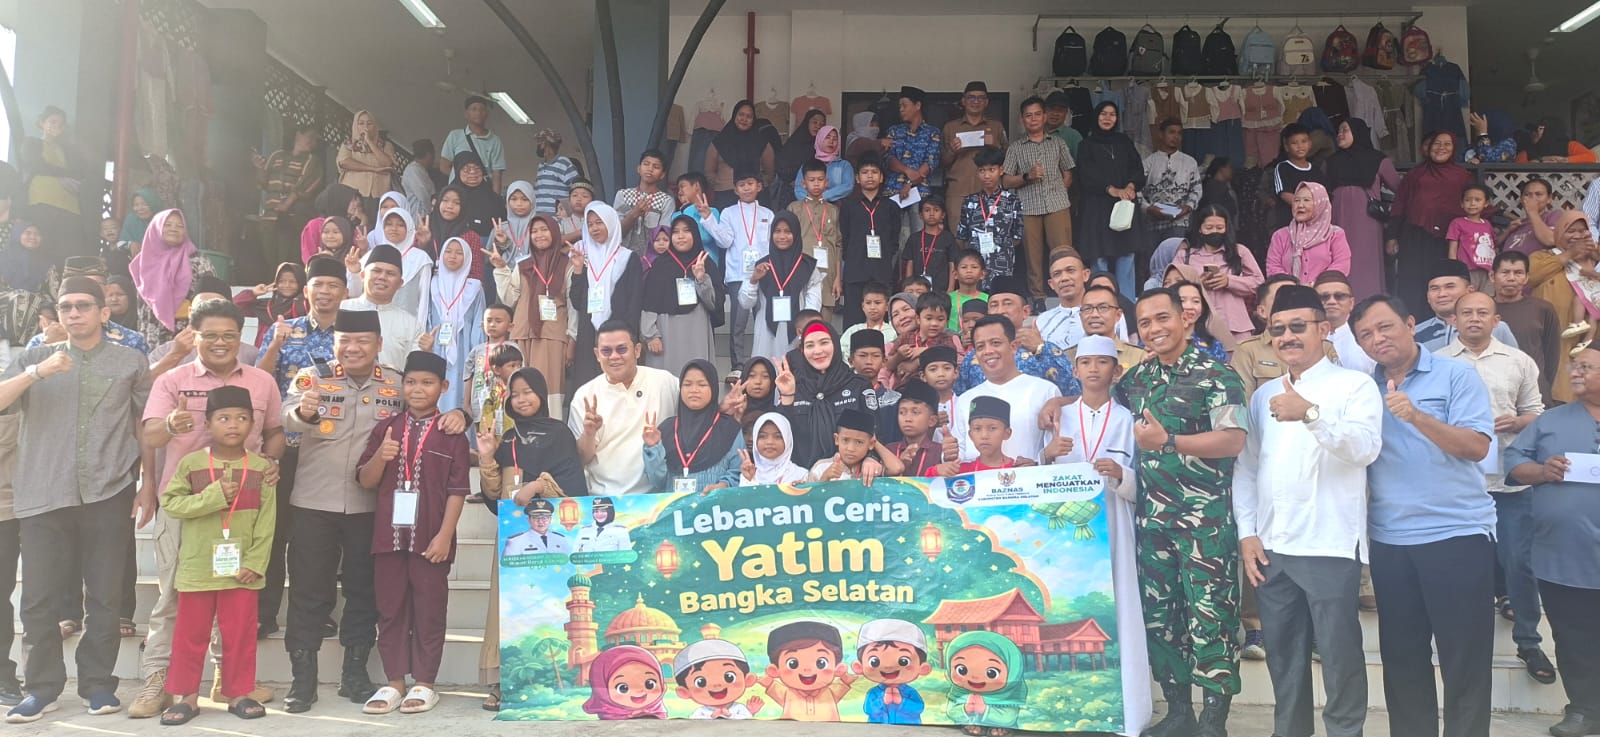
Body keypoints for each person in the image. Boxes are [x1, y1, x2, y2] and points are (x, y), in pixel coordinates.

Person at [280, 310, 468, 713]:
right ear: (334, 342)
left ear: (379, 344)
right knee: (309, 591)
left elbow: (428, 402)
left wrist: (462, 414)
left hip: (369, 508)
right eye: (345, 340)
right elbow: (287, 415)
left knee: (365, 593)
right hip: (314, 500)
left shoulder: (396, 382)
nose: (353, 348)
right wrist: (305, 412)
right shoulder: (314, 377)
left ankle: (354, 674)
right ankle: (303, 680)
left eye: (363, 340)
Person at [1233, 285, 1381, 737]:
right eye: (1278, 329)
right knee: (1283, 657)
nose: (1287, 337)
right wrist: (1247, 533)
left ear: (1324, 329)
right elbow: (1247, 467)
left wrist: (1311, 414)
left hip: (1329, 544)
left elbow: (1365, 449)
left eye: (1298, 326)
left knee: (1339, 656)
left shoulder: (1354, 385)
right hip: (1272, 548)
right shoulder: (1263, 396)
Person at [0, 277, 148, 722]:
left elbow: (145, 426)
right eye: (66, 306)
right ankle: (41, 688)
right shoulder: (34, 358)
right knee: (39, 598)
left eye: (83, 305)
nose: (74, 313)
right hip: (43, 492)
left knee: (104, 596)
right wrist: (37, 373)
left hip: (108, 490)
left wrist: (149, 485)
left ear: (104, 312)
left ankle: (98, 685)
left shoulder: (130, 361)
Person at [131, 297, 284, 718]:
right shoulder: (173, 380)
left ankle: (227, 682)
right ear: (193, 336)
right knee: (174, 598)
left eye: (229, 335)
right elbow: (150, 436)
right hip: (185, 505)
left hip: (243, 504)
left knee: (232, 598)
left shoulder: (261, 382)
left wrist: (271, 462)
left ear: (240, 337)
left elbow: (274, 432)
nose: (220, 342)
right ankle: (159, 682)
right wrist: (170, 425)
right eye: (210, 335)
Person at [1352, 294, 1496, 737]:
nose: (1377, 339)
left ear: (1411, 324)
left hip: (1457, 535)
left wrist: (1416, 416)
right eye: (1365, 335)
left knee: (1464, 658)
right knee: (1402, 659)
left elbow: (1477, 447)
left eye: (1385, 327)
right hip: (1391, 541)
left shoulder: (1456, 375)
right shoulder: (1361, 390)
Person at [1116, 286, 1249, 737]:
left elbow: (1233, 440)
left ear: (1185, 318)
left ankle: (1213, 720)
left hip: (1204, 524)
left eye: (1162, 318)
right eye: (1145, 323)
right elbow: (1102, 399)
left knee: (1211, 618)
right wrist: (1058, 404)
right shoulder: (1137, 378)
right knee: (1161, 619)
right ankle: (1179, 712)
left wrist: (1169, 442)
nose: (1154, 329)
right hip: (1153, 523)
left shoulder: (1218, 376)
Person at [1437, 292, 1552, 684]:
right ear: (1453, 320)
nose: (1474, 319)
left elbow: (1536, 414)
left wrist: (1516, 422)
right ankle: (1463, 645)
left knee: (1519, 562)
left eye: (1482, 313)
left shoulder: (1518, 361)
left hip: (1508, 482)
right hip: (1457, 484)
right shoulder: (1437, 362)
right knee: (1460, 567)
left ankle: (1529, 641)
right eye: (1466, 313)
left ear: (1496, 320)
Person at [1040, 334, 1152, 733]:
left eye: (1101, 362)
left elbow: (1144, 483)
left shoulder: (1128, 421)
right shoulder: (1058, 418)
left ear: (1116, 371)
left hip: (1115, 525)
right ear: (1074, 370)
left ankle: (1127, 712)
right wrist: (1047, 456)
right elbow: (1037, 481)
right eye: (1085, 362)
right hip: (1065, 534)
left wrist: (1121, 475)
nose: (1092, 369)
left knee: (1119, 608)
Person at [355, 351, 471, 715]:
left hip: (431, 539)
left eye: (427, 383)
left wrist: (445, 536)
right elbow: (365, 480)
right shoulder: (386, 428)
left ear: (444, 387)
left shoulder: (452, 435)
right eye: (410, 382)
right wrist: (381, 456)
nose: (417, 389)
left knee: (429, 610)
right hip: (388, 538)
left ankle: (425, 682)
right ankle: (394, 683)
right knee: (390, 609)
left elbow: (457, 491)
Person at [156, 386, 277, 725]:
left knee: (239, 634)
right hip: (197, 568)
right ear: (207, 424)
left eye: (242, 418)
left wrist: (255, 562)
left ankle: (238, 693)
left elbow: (267, 521)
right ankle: (187, 697)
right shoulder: (192, 463)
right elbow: (171, 504)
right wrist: (212, 497)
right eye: (223, 418)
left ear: (252, 424)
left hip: (242, 570)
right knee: (189, 635)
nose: (233, 425)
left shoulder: (261, 468)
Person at [1504, 346, 1600, 737]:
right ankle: (1584, 710)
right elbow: (1513, 465)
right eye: (1574, 366)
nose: (1575, 372)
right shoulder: (1551, 421)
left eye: (1586, 367)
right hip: (1563, 556)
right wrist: (1544, 471)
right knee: (1573, 636)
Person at [568, 320, 679, 495]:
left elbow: (698, 408)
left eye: (621, 349)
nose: (614, 356)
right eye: (606, 351)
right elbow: (581, 460)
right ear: (597, 354)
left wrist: (722, 406)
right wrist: (589, 433)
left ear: (637, 350)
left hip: (657, 497)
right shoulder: (584, 396)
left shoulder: (664, 382)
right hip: (605, 499)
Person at [951, 315, 1062, 465]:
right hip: (979, 479)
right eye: (980, 346)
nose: (988, 351)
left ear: (1013, 347)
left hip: (1030, 478)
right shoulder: (965, 399)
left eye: (995, 343)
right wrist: (949, 455)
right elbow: (958, 454)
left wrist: (1037, 463)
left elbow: (1058, 450)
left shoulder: (1045, 391)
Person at [493, 214, 573, 417]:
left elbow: (573, 306)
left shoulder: (568, 265)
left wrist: (572, 338)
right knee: (519, 389)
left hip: (551, 336)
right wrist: (501, 268)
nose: (539, 235)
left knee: (548, 392)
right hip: (522, 334)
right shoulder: (523, 265)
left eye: (544, 230)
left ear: (554, 233)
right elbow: (509, 299)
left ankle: (548, 433)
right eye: (534, 231)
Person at [1389, 131, 1474, 314]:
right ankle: (1411, 324)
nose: (1441, 148)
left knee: (1440, 282)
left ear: (1454, 149)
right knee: (1411, 283)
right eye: (1437, 143)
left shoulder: (1462, 176)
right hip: (1414, 238)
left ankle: (1439, 323)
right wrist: (1392, 236)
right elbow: (1400, 204)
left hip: (1446, 239)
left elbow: (1474, 201)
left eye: (1447, 144)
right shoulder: (1415, 174)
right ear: (1428, 147)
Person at [1002, 96, 1076, 300]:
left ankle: (1067, 295)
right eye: (1028, 116)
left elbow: (1068, 173)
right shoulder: (1016, 147)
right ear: (1022, 120)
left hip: (1057, 205)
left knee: (1063, 254)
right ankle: (1038, 298)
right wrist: (1027, 176)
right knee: (1033, 258)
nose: (1033, 119)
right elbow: (1006, 181)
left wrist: (1060, 191)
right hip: (1028, 207)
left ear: (1044, 117)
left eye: (1037, 114)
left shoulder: (1058, 143)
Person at [957, 276, 1081, 397]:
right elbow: (960, 398)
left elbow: (1073, 392)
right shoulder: (975, 355)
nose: (1000, 310)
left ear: (1025, 311)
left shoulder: (1046, 349)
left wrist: (1041, 349)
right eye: (994, 305)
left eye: (1007, 304)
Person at [775, 321, 877, 467]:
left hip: (849, 475)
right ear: (803, 351)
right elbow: (782, 435)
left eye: (824, 343)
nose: (817, 351)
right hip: (802, 476)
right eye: (810, 345)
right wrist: (787, 396)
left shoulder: (858, 385)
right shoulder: (795, 387)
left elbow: (875, 428)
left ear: (835, 344)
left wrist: (872, 458)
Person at [1073, 102, 1146, 296]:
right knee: (1099, 257)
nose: (1107, 118)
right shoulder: (1086, 145)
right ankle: (1101, 299)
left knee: (1127, 255)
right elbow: (1085, 175)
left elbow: (1137, 168)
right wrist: (1110, 189)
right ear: (1096, 116)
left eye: (1112, 114)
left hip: (1124, 206)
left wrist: (1131, 186)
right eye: (1103, 114)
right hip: (1097, 209)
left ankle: (1127, 305)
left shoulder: (1124, 142)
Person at [569, 202, 645, 389]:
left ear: (611, 223)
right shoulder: (584, 258)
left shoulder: (628, 258)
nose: (594, 228)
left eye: (599, 222)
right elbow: (577, 302)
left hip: (619, 334)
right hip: (589, 334)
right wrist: (578, 270)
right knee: (590, 386)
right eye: (590, 224)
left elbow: (634, 302)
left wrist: (629, 336)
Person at [1324, 118, 1400, 299]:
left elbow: (1400, 189)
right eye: (1338, 131)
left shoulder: (1378, 159)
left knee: (1366, 261)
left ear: (1357, 133)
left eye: (1345, 130)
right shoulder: (1330, 162)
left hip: (1367, 222)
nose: (1340, 134)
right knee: (1340, 259)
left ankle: (1370, 303)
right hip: (1338, 220)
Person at [644, 360, 744, 494]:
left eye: (702, 384)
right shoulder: (666, 429)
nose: (694, 390)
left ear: (713, 388)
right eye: (687, 384)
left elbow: (738, 472)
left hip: (714, 505)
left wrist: (724, 486)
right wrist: (653, 447)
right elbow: (657, 481)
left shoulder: (729, 429)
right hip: (675, 506)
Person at [1528, 211, 1596, 404]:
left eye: (1583, 231)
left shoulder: (1595, 261)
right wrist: (1569, 255)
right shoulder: (1542, 257)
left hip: (1589, 342)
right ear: (1558, 233)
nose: (1578, 236)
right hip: (1551, 339)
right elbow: (1530, 276)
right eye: (1571, 231)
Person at [1171, 205, 1265, 341]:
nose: (1214, 231)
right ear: (1200, 229)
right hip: (1197, 326)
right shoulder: (1184, 256)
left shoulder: (1240, 251)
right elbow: (1172, 288)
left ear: (1227, 228)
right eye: (1209, 228)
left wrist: (1229, 281)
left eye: (1220, 228)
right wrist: (1198, 285)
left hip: (1236, 326)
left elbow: (1259, 283)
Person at [710, 170, 772, 367]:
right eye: (741, 185)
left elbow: (772, 244)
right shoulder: (729, 213)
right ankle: (737, 365)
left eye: (750, 183)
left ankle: (764, 360)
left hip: (764, 273)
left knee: (764, 320)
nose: (746, 188)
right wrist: (707, 218)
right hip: (738, 274)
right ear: (735, 189)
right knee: (738, 322)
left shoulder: (768, 214)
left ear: (759, 186)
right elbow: (724, 241)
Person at [130, 208, 218, 345]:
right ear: (156, 227)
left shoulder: (198, 260)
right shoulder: (142, 261)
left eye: (180, 226)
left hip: (187, 333)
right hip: (152, 332)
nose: (174, 229)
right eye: (167, 224)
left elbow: (211, 297)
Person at [742, 211, 821, 361]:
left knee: (795, 367)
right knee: (766, 368)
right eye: (777, 231)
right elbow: (745, 303)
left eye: (787, 231)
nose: (782, 236)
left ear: (796, 234)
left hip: (797, 330)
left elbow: (813, 304)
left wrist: (806, 331)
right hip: (766, 331)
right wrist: (754, 280)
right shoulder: (762, 265)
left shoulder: (807, 266)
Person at [1490, 251, 1562, 405]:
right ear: (1492, 276)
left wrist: (1542, 383)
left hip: (1534, 391)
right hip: (1493, 391)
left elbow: (1552, 355)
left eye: (1518, 273)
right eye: (1505, 272)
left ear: (1527, 278)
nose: (1511, 278)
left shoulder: (1542, 309)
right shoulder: (1481, 310)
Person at [341, 244, 428, 371]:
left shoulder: (411, 324)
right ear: (363, 275)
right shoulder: (342, 310)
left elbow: (414, 371)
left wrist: (426, 352)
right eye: (376, 271)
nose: (382, 277)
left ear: (400, 283)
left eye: (390, 273)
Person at [838, 156, 900, 326]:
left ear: (881, 177)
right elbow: (844, 236)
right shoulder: (849, 206)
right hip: (855, 271)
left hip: (881, 271)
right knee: (853, 319)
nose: (870, 176)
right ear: (857, 178)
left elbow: (894, 239)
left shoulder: (891, 206)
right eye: (865, 172)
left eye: (874, 172)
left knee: (880, 319)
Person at [426, 237, 486, 412]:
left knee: (461, 387)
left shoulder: (474, 287)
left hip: (464, 347)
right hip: (436, 346)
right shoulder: (432, 284)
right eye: (448, 251)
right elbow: (427, 316)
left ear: (467, 258)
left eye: (459, 253)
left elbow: (478, 322)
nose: (453, 256)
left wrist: (477, 353)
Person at [20, 106, 88, 259]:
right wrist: (65, 174)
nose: (56, 126)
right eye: (52, 121)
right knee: (43, 247)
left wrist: (66, 175)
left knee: (68, 251)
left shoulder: (67, 150)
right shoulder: (32, 142)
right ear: (42, 123)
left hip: (70, 205)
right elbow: (36, 165)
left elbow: (81, 172)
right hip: (42, 201)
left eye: (61, 123)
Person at [253, 124, 323, 268]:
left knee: (286, 262)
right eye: (310, 137)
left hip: (291, 220)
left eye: (316, 140)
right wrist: (259, 168)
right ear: (298, 134)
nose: (312, 142)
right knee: (268, 261)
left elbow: (307, 186)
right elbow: (263, 183)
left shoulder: (312, 160)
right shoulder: (277, 156)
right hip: (269, 217)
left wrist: (287, 203)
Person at [1413, 259, 1519, 353]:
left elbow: (1515, 364)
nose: (1442, 294)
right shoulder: (1415, 334)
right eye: (1434, 288)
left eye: (1450, 287)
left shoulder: (1495, 328)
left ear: (1469, 291)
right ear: (1428, 296)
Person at [957, 148, 1023, 291]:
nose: (986, 175)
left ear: (1001, 170)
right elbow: (962, 237)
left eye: (991, 170)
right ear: (977, 172)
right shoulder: (970, 201)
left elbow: (1017, 237)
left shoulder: (1012, 200)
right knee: (975, 298)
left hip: (1002, 262)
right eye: (982, 171)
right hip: (975, 265)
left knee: (1001, 296)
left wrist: (1001, 247)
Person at [788, 161, 843, 321]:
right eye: (811, 180)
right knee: (802, 318)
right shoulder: (794, 208)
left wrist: (838, 278)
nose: (816, 184)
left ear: (827, 182)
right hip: (802, 272)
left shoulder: (833, 210)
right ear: (803, 183)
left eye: (820, 180)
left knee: (824, 321)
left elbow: (838, 246)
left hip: (827, 275)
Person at [884, 86, 942, 237]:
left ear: (917, 105)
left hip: (919, 193)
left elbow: (930, 162)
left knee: (919, 236)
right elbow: (889, 159)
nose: (901, 109)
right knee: (892, 237)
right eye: (900, 106)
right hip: (894, 191)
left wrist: (909, 184)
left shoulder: (932, 133)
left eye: (904, 105)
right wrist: (907, 170)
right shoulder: (894, 131)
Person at [943, 81, 1007, 218]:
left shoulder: (996, 127)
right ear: (963, 101)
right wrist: (952, 150)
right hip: (958, 191)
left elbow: (1007, 159)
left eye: (980, 98)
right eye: (971, 97)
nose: (976, 101)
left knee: (991, 229)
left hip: (990, 189)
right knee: (958, 230)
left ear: (986, 102)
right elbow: (942, 162)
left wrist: (994, 146)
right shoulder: (951, 127)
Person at [1267, 182, 1352, 285]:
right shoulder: (1280, 235)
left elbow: (1341, 265)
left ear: (1320, 203)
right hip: (1288, 292)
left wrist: (1315, 285)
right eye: (1296, 200)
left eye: (1306, 200)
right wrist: (1293, 287)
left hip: (1323, 292)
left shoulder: (1335, 234)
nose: (1300, 205)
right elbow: (1273, 267)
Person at [1141, 119, 1201, 245]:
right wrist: (1148, 208)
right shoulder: (1149, 162)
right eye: (1172, 132)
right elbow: (1137, 189)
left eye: (1179, 133)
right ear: (1161, 134)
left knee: (1175, 255)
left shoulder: (1189, 162)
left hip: (1179, 222)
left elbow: (1196, 189)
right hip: (1153, 222)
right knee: (1154, 256)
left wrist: (1188, 206)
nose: (1176, 137)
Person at [706, 101, 776, 209]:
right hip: (725, 195)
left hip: (756, 197)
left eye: (749, 116)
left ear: (753, 120)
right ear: (734, 115)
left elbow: (769, 173)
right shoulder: (719, 141)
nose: (744, 119)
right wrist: (722, 183)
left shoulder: (762, 142)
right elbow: (709, 172)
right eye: (741, 115)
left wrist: (756, 186)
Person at [1312, 271, 1376, 375]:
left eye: (1339, 296)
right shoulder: (1303, 339)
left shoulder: (1368, 337)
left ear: (1351, 303)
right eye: (1324, 297)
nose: (1331, 301)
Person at [1071, 285, 1148, 370]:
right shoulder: (1067, 357)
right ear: (1080, 316)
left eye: (1103, 307)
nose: (1094, 314)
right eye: (1087, 308)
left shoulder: (1140, 357)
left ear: (1118, 315)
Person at [440, 96, 507, 193]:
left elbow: (497, 175)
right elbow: (444, 166)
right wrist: (464, 178)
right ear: (466, 114)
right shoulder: (454, 136)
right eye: (474, 109)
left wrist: (495, 199)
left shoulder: (495, 141)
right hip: (458, 193)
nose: (478, 112)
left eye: (482, 109)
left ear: (487, 114)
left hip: (483, 193)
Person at [335, 111, 396, 216]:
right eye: (361, 123)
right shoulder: (348, 144)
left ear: (375, 127)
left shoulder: (385, 145)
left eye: (369, 123)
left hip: (378, 195)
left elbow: (387, 163)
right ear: (356, 126)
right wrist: (373, 169)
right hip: (352, 195)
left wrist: (370, 142)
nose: (365, 127)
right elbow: (344, 162)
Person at [235, 262, 308, 348]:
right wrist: (253, 293)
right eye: (281, 281)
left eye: (292, 282)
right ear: (276, 283)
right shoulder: (265, 306)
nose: (287, 285)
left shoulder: (305, 306)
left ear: (301, 283)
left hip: (294, 354)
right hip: (264, 354)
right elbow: (234, 307)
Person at [804, 407, 880, 482]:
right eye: (845, 440)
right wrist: (825, 478)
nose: (850, 448)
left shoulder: (874, 468)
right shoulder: (820, 467)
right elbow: (810, 490)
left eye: (859, 442)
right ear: (836, 439)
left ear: (871, 444)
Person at [1270, 124, 1323, 232]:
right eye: (1294, 143)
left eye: (1304, 141)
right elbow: (1284, 193)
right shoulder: (1283, 168)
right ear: (1286, 147)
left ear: (1310, 144)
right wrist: (1307, 208)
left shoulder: (1316, 170)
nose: (1300, 146)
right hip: (1289, 223)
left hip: (1314, 224)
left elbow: (1324, 195)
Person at [1447, 184, 1498, 292]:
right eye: (1467, 200)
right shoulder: (1458, 223)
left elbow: (1494, 243)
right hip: (1468, 270)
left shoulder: (1487, 224)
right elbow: (1453, 248)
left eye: (1477, 200)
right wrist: (1453, 269)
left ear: (1486, 203)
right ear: (1462, 204)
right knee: (1468, 296)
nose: (1472, 203)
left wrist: (1509, 230)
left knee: (1488, 298)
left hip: (1489, 271)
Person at [900, 199, 958, 292]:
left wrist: (950, 288)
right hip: (918, 290)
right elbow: (910, 263)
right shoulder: (914, 238)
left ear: (943, 215)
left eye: (936, 210)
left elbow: (952, 264)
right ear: (920, 215)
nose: (931, 214)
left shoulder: (948, 237)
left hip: (941, 290)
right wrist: (909, 287)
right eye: (927, 210)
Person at [738, 411, 808, 485]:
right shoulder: (748, 474)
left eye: (777, 436)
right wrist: (750, 480)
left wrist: (800, 489)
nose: (769, 442)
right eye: (762, 436)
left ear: (787, 440)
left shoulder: (801, 476)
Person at [1501, 178, 1564, 256]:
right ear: (1521, 199)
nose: (1533, 198)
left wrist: (1533, 212)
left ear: (1549, 198)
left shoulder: (1554, 215)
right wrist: (1507, 231)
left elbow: (1551, 240)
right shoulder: (1517, 225)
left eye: (1538, 194)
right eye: (1527, 194)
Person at [778, 110, 829, 206]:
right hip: (792, 191)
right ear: (807, 123)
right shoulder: (794, 143)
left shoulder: (823, 146)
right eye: (814, 122)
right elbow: (782, 167)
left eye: (821, 124)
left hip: (816, 193)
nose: (818, 126)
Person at [532, 129, 577, 216]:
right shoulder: (541, 166)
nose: (538, 147)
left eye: (540, 144)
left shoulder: (564, 163)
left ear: (548, 145)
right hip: (541, 216)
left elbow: (576, 189)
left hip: (557, 217)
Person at [400, 139, 436, 225]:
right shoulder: (413, 170)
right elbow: (423, 196)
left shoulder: (420, 169)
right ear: (428, 155)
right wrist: (431, 214)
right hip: (417, 217)